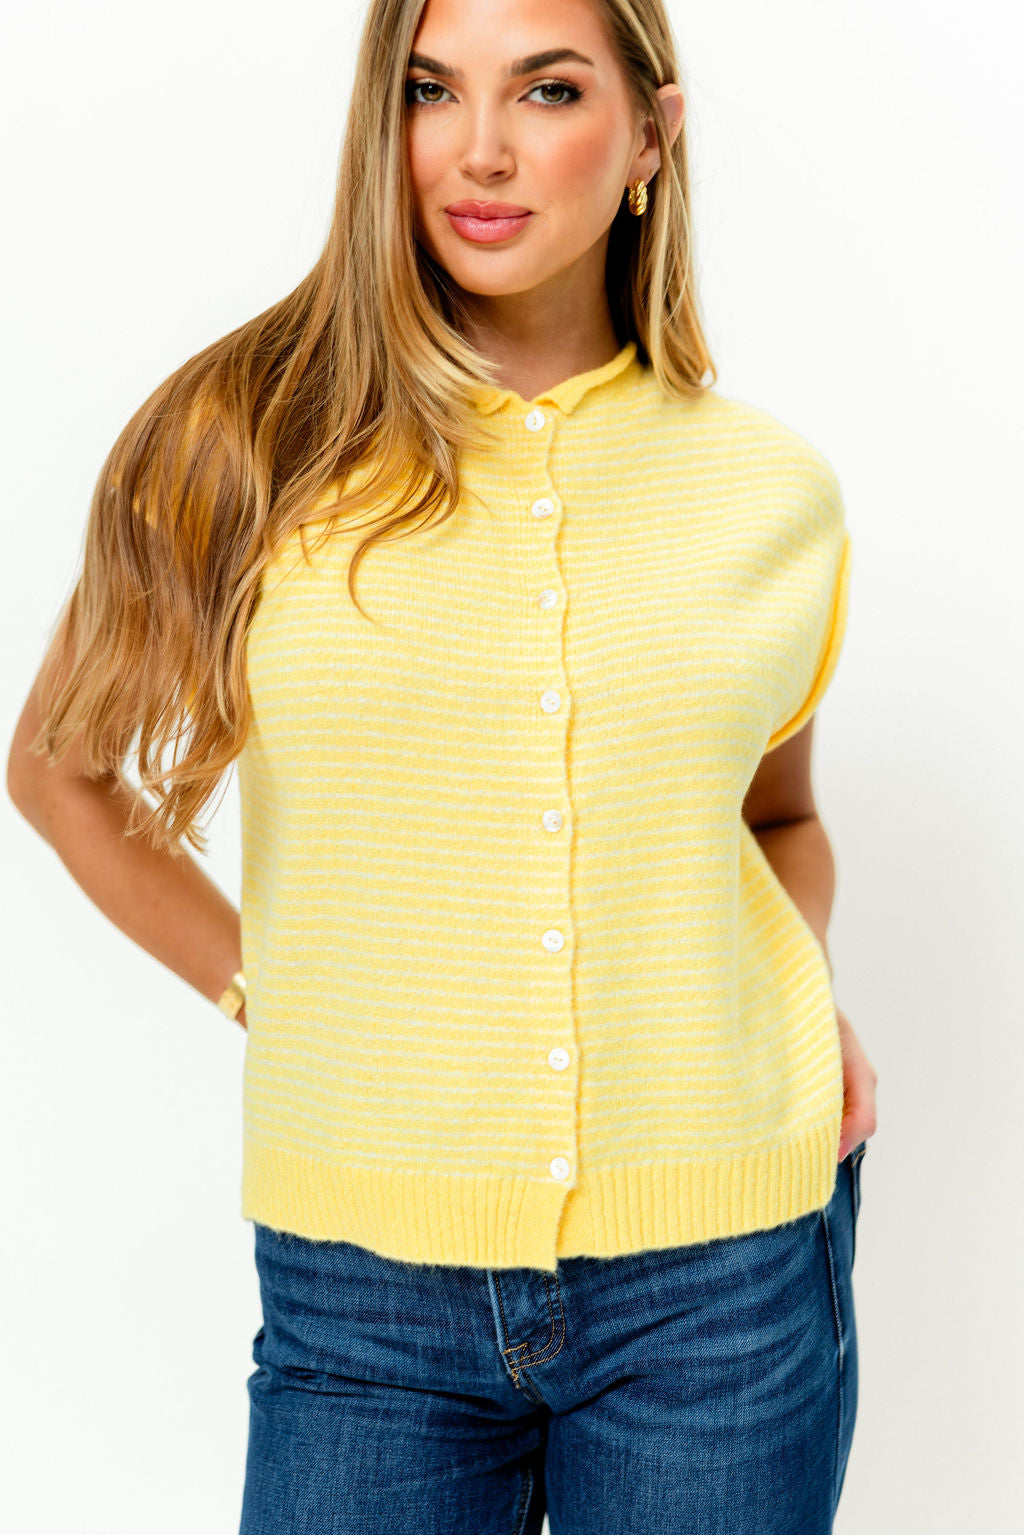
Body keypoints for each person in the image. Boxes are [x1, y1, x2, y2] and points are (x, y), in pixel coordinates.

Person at [6, 0, 879, 1529]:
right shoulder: (248, 438)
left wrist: (786, 991)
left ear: (651, 136)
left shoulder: (770, 492)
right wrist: (269, 987)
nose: (478, 150)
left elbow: (778, 820)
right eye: (428, 91)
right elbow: (60, 770)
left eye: (547, 91)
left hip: (724, 1281)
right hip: (364, 1292)